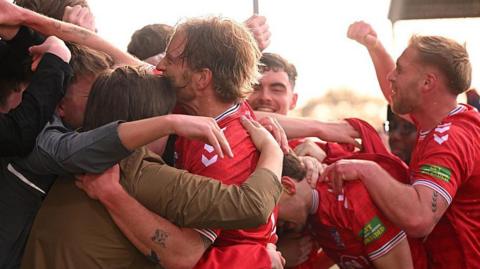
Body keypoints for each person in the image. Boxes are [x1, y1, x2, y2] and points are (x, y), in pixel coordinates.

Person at [21, 66, 284, 269]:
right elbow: (251, 206)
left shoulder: (75, 152)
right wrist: (273, 151)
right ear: (154, 122)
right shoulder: (138, 170)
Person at [320, 21, 480, 268]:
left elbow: (420, 217)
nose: (391, 76)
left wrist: (367, 169)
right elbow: (394, 93)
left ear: (427, 83)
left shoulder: (448, 139)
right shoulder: (443, 118)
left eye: (400, 70)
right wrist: (374, 47)